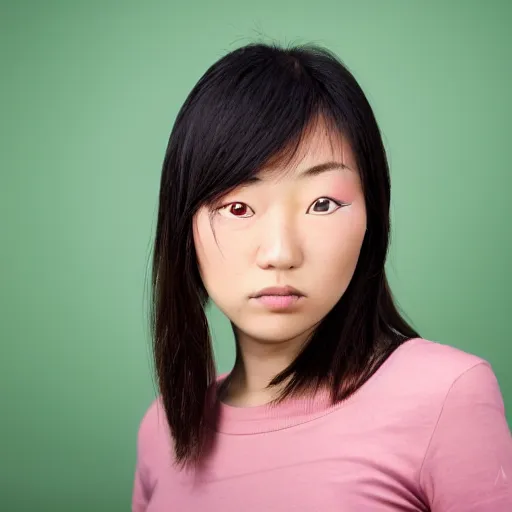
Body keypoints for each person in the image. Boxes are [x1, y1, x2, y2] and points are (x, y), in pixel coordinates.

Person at [132, 42, 512, 511]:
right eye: (237, 207)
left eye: (323, 204)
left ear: (374, 214)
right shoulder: (163, 429)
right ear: (182, 227)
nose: (280, 253)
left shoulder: (447, 395)